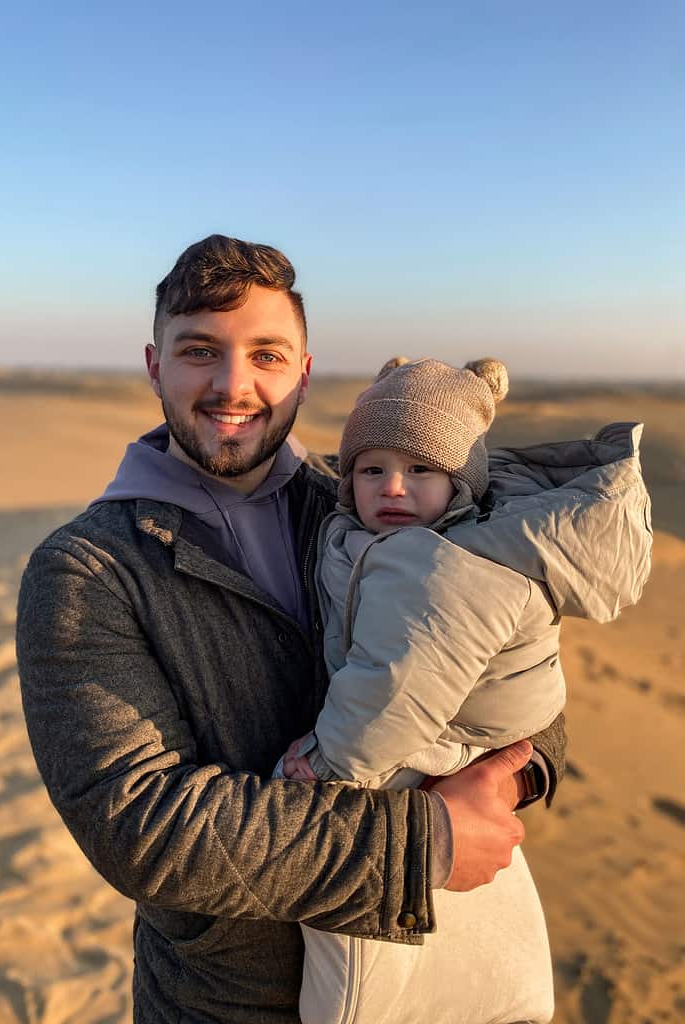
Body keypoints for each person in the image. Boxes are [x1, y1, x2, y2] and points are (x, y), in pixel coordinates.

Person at [16, 235, 567, 1024]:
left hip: (425, 981)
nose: (234, 385)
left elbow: (529, 679)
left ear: (303, 373)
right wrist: (426, 844)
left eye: (267, 355)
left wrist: (509, 778)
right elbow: (141, 825)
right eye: (200, 350)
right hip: (230, 1002)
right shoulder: (88, 570)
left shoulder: (378, 504)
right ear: (153, 365)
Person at [277, 356, 651, 1024]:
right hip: (450, 739)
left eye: (421, 470)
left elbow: (397, 689)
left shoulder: (447, 567)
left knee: (355, 967)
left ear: (463, 483)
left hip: (447, 743)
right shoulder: (399, 540)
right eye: (372, 469)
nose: (394, 487)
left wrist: (324, 765)